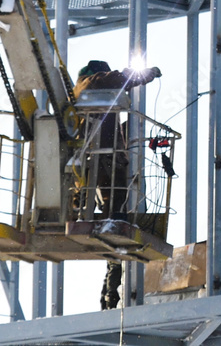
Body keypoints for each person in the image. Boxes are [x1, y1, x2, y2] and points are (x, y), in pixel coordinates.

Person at [73, 59, 161, 310]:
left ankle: (110, 293)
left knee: (116, 226)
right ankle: (112, 293)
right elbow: (116, 78)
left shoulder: (91, 97)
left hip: (103, 164)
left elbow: (109, 128)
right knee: (117, 222)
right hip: (105, 166)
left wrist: (134, 129)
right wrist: (143, 75)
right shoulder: (91, 83)